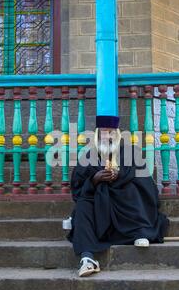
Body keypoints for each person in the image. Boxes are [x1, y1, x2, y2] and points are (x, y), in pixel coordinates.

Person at [67, 115, 169, 278]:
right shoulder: (88, 156)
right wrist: (94, 180)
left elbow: (145, 183)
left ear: (117, 135)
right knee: (82, 205)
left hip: (124, 205)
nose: (107, 137)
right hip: (100, 208)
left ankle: (139, 232)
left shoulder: (130, 152)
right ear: (97, 135)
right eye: (103, 133)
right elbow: (77, 189)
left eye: (111, 133)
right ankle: (87, 258)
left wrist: (120, 176)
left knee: (131, 188)